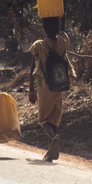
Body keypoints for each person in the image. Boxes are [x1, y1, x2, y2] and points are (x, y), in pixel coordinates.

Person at [29, 16, 77, 161]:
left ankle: (53, 137)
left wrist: (31, 89)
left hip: (42, 84)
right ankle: (50, 152)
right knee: (55, 118)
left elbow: (33, 67)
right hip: (60, 83)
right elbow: (62, 32)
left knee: (44, 119)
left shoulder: (38, 45)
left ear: (44, 29)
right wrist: (61, 17)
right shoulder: (63, 42)